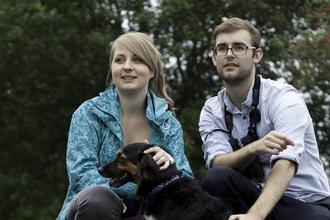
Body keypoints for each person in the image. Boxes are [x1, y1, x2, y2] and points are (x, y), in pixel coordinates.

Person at [199, 17, 330, 220]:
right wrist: (253, 148)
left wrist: (256, 216)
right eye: (222, 48)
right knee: (215, 178)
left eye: (239, 47)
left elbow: (286, 161)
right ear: (215, 58)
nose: (230, 54)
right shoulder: (211, 109)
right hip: (253, 198)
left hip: (305, 202)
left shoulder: (285, 98)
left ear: (256, 55)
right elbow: (218, 164)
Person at [57, 32, 194, 220]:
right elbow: (81, 176)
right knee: (98, 198)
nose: (127, 67)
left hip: (151, 213)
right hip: (95, 209)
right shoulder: (88, 113)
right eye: (119, 60)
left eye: (137, 60)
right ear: (112, 68)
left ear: (152, 70)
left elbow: (186, 181)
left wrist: (169, 164)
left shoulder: (169, 124)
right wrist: (145, 185)